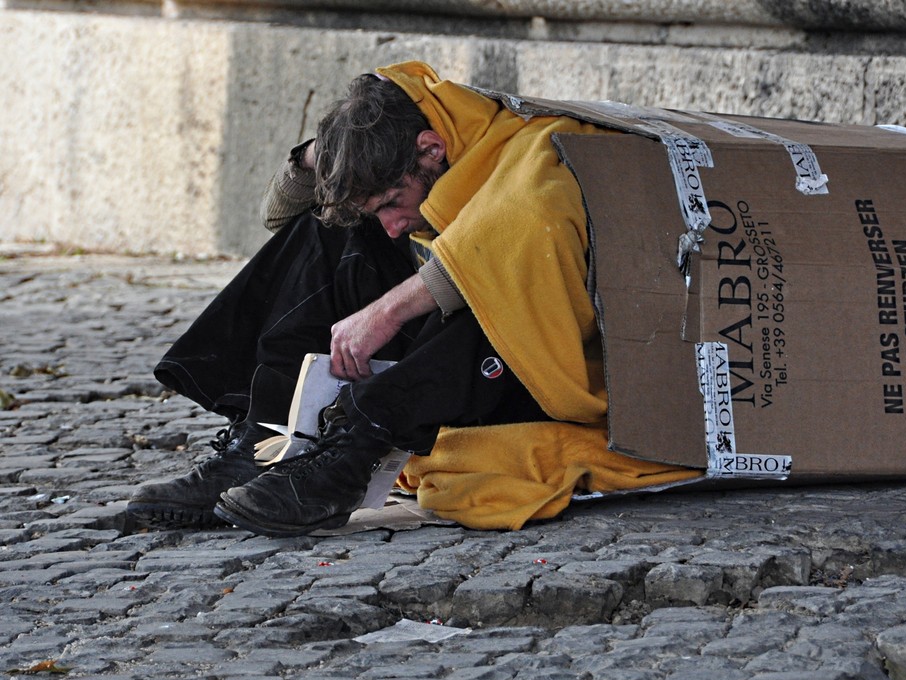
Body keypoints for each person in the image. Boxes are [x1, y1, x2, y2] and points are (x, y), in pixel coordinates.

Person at [126, 61, 699, 537]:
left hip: (549, 369)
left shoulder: (540, 151)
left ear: (431, 147)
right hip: (461, 356)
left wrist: (387, 310)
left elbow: (518, 234)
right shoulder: (425, 155)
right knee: (333, 228)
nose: (396, 227)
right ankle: (265, 439)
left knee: (493, 274)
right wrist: (320, 155)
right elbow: (279, 216)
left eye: (395, 199)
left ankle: (353, 455)